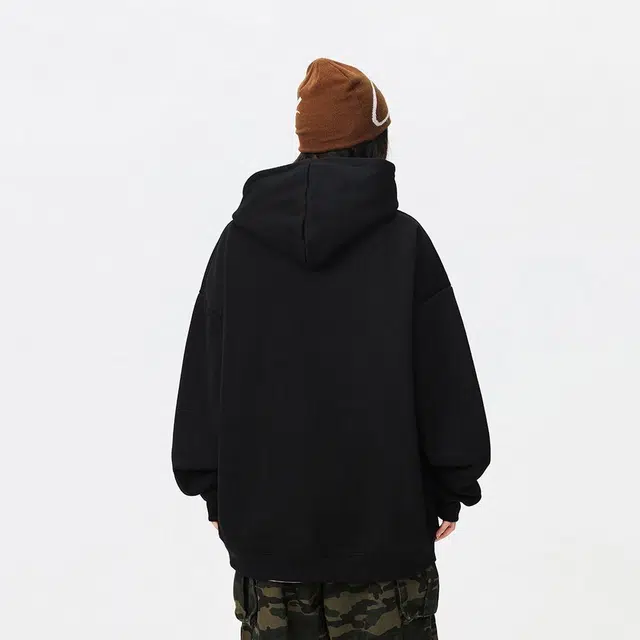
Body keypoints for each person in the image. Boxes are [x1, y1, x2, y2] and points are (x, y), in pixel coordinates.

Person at [172, 58, 490, 639]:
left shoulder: (238, 245)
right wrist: (452, 486)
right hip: (386, 551)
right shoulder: (404, 244)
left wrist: (215, 492)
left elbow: (203, 382)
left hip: (269, 556)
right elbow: (444, 380)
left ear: (304, 143)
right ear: (376, 141)